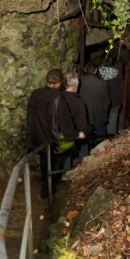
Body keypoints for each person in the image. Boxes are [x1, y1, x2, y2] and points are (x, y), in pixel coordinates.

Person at [25, 69, 79, 198]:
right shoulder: (58, 98)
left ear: (46, 81)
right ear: (60, 83)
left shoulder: (35, 94)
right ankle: (48, 189)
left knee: (45, 162)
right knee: (59, 158)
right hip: (49, 138)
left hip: (35, 135)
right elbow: (64, 122)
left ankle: (47, 187)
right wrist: (74, 134)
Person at [61, 70, 91, 171]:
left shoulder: (57, 97)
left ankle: (65, 172)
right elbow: (82, 125)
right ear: (76, 84)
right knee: (84, 143)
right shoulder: (79, 103)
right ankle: (83, 170)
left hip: (59, 134)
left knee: (65, 152)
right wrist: (89, 130)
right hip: (73, 134)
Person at [78, 62, 110, 144]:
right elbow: (107, 101)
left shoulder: (79, 82)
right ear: (96, 71)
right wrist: (105, 110)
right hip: (99, 114)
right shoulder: (102, 83)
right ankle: (102, 152)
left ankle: (84, 155)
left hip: (84, 116)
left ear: (85, 69)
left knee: (84, 140)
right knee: (101, 137)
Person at [99, 59, 125, 135]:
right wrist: (123, 98)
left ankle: (103, 132)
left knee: (103, 116)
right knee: (114, 116)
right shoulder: (117, 72)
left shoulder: (98, 73)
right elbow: (122, 86)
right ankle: (112, 134)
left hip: (102, 99)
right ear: (111, 63)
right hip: (115, 99)